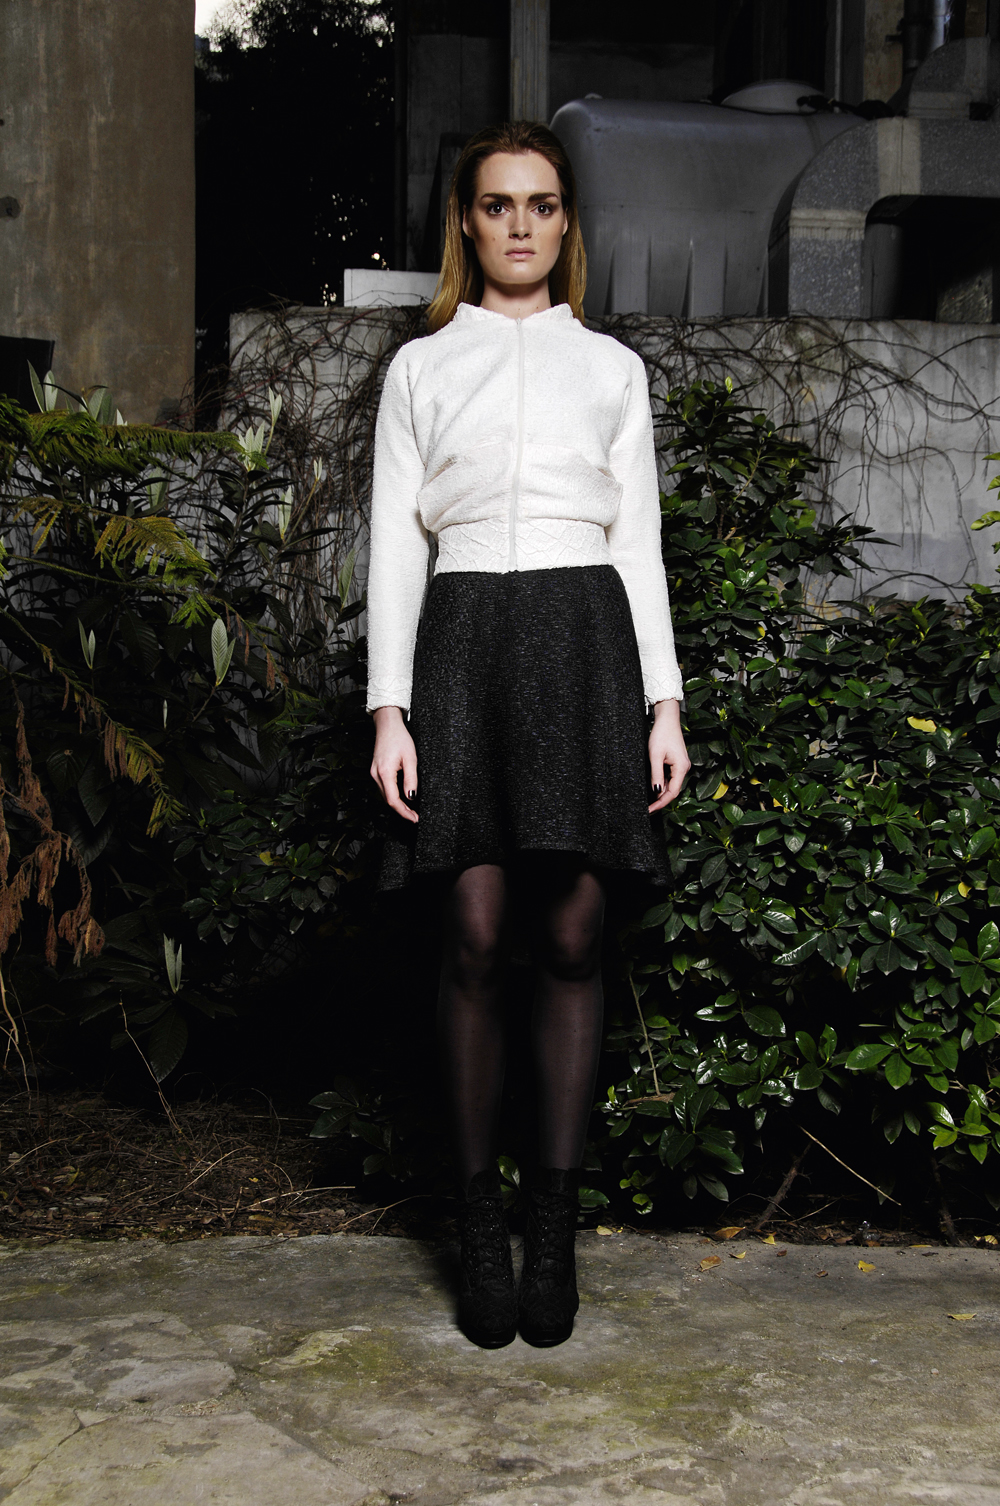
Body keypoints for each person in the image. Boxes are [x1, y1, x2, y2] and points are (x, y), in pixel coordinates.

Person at [366, 121, 689, 1350]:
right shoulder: (420, 367)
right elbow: (395, 549)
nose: (519, 225)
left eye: (541, 204)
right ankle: (477, 1229)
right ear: (466, 219)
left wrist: (663, 702)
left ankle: (553, 1229)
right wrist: (388, 707)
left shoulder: (610, 370)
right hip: (462, 640)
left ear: (566, 222)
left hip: (583, 638)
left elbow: (637, 544)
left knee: (570, 931)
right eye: (497, 204)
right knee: (474, 929)